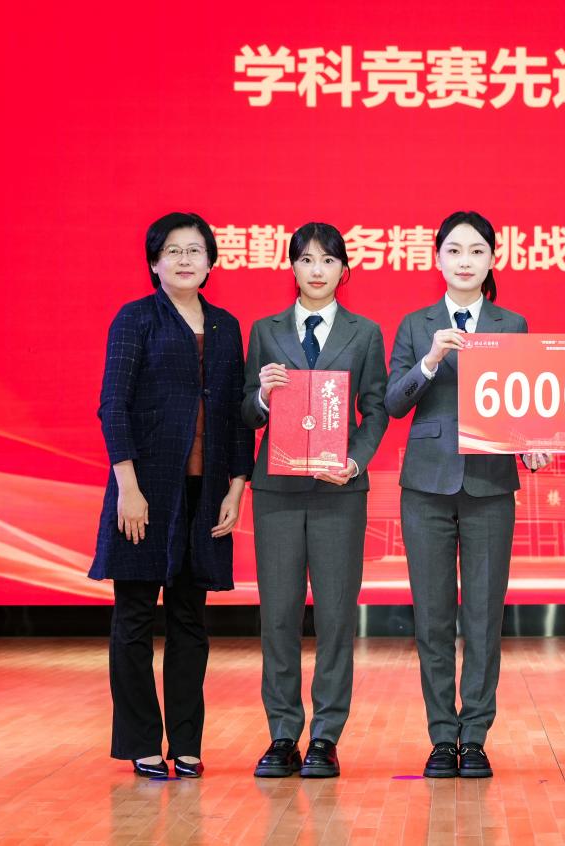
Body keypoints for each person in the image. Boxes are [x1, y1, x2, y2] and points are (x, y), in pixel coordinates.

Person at [90, 211, 254, 779]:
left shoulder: (227, 326)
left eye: (195, 251)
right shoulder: (136, 319)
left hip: (205, 494)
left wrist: (237, 485)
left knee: (190, 620)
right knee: (134, 618)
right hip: (145, 491)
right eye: (173, 251)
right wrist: (127, 487)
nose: (185, 260)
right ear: (154, 263)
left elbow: (236, 415)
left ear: (211, 262)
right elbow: (112, 406)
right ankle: (141, 742)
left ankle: (186, 744)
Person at [385, 211, 549, 779]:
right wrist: (430, 359)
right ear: (437, 259)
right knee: (432, 618)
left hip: (489, 484)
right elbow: (394, 402)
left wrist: (533, 445)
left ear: (492, 260)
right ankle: (440, 735)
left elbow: (526, 404)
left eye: (477, 251)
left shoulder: (512, 323)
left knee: (483, 615)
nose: (464, 261)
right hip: (426, 487)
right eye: (453, 250)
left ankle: (475, 735)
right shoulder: (416, 325)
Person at [243, 222, 389, 779]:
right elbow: (245, 410)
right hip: (277, 492)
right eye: (306, 259)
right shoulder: (265, 331)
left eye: (328, 260)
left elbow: (375, 409)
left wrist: (355, 460)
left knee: (334, 617)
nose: (317, 270)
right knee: (278, 616)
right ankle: (283, 733)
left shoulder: (365, 333)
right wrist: (262, 394)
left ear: (344, 270)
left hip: (337, 492)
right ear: (292, 267)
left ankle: (326, 735)